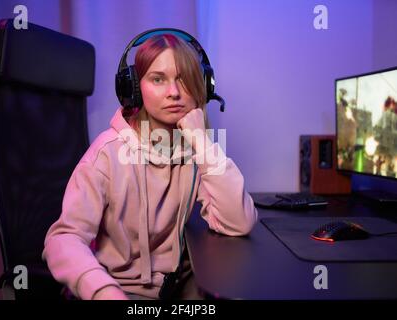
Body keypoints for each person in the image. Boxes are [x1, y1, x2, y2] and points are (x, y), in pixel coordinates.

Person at [42, 31, 258, 300]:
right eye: (158, 79)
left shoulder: (194, 150)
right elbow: (63, 240)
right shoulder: (107, 154)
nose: (174, 93)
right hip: (118, 292)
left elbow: (239, 222)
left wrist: (202, 142)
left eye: (185, 80)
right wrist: (102, 291)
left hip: (177, 288)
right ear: (134, 88)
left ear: (203, 87)